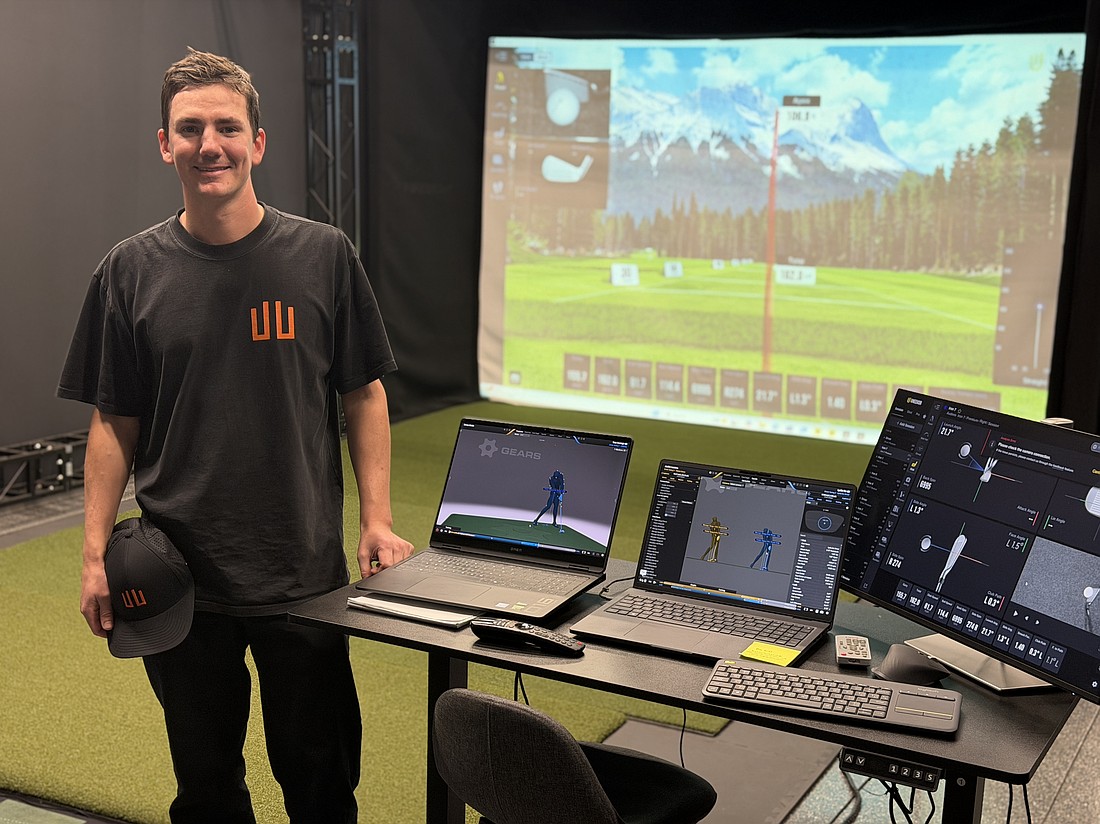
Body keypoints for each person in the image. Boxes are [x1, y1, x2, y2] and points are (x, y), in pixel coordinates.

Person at [57, 48, 413, 823]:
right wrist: (92, 557)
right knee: (208, 791)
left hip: (303, 575)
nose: (207, 143)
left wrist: (377, 519)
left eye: (226, 126)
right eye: (190, 129)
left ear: (258, 142)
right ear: (165, 144)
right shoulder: (128, 271)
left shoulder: (323, 256)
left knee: (321, 787)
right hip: (179, 579)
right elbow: (114, 423)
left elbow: (365, 393)